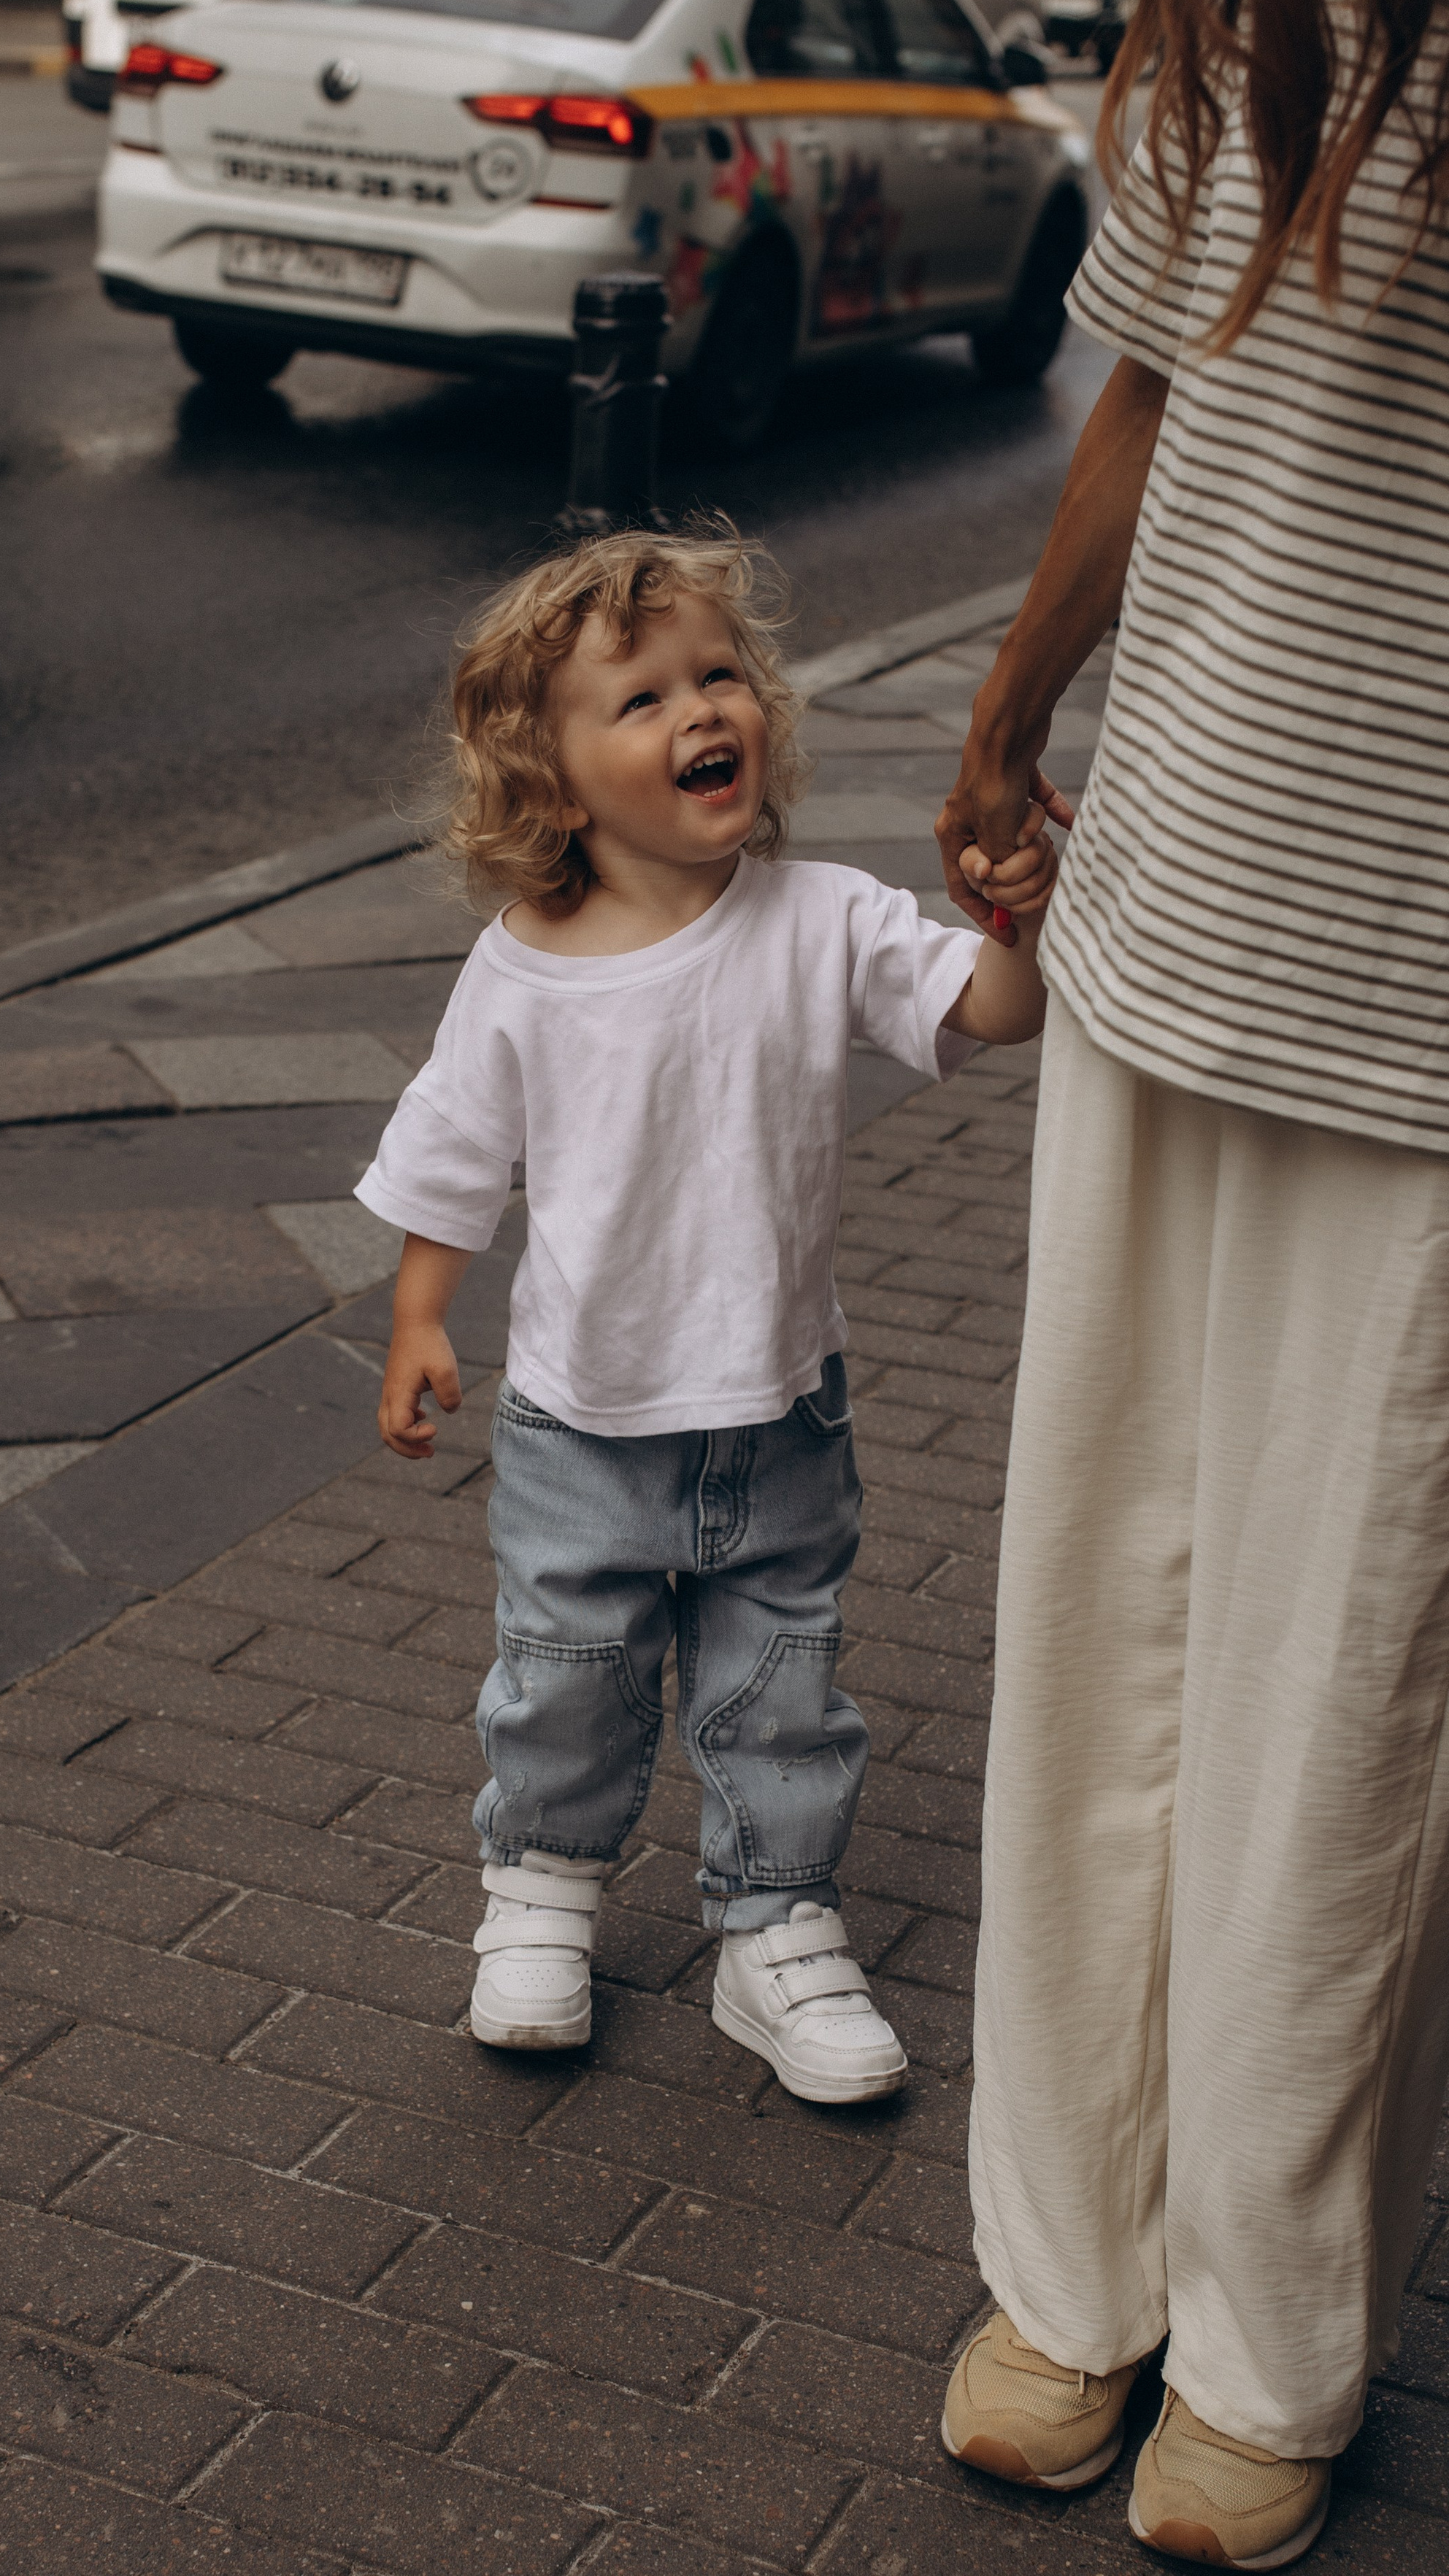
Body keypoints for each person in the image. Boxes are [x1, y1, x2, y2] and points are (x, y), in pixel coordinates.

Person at [931, 0, 1449, 2564]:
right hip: (1178, 885)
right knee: (1102, 1611)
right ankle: (1068, 2268)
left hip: (1432, 975)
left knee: (1334, 1692)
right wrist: (1016, 707)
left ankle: (1270, 2329)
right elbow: (1152, 377)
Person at [353, 526, 1054, 2099]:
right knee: (564, 1676)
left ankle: (776, 1929)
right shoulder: (522, 970)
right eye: (642, 696)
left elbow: (995, 1019)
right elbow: (449, 1154)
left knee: (779, 1690)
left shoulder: (823, 920)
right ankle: (537, 1898)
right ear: (550, 777)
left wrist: (1009, 913)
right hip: (577, 1421)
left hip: (779, 1410)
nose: (700, 711)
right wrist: (418, 1320)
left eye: (717, 674)